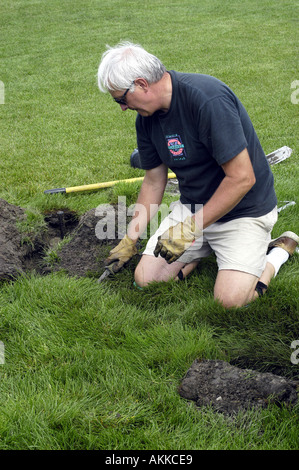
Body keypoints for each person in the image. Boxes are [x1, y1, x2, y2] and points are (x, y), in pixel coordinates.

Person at [97, 41, 298, 308]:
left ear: (142, 84)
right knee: (146, 279)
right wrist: (129, 238)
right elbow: (154, 180)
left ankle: (276, 254)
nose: (122, 107)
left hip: (243, 211)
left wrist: (189, 230)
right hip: (193, 209)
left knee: (229, 302)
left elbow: (242, 179)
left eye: (121, 99)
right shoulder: (145, 119)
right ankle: (203, 250)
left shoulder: (207, 100)